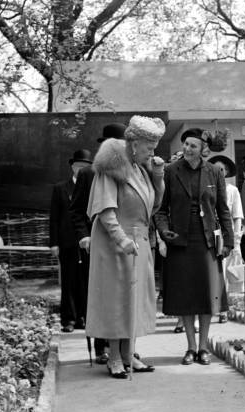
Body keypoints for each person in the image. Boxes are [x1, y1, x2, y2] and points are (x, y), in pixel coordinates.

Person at [85, 116, 166, 379]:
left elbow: (153, 207)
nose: (152, 152)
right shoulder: (112, 167)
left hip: (139, 240)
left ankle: (130, 353)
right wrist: (121, 239)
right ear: (133, 143)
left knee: (135, 300)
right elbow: (105, 210)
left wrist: (158, 175)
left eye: (154, 147)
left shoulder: (141, 170)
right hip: (114, 243)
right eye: (148, 146)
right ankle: (115, 357)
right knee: (117, 299)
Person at [155, 128, 233, 366]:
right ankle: (190, 347)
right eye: (186, 144)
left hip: (206, 240)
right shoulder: (170, 172)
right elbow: (160, 208)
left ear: (203, 150)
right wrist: (163, 229)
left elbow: (222, 209)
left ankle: (204, 347)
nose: (188, 149)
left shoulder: (214, 172)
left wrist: (228, 241)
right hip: (179, 239)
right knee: (185, 295)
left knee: (207, 295)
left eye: (193, 146)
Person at [70, 123, 127, 364]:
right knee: (101, 295)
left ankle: (125, 348)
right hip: (97, 241)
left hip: (123, 241)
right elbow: (76, 210)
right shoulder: (88, 173)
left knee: (124, 296)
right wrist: (84, 235)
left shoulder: (130, 171)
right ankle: (101, 346)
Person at [49, 149, 92, 333]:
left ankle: (84, 317)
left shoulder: (93, 188)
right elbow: (54, 217)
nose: (80, 170)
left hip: (87, 242)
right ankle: (68, 319)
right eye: (78, 166)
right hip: (66, 242)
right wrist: (54, 243)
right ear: (72, 167)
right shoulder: (60, 188)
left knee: (85, 281)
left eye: (84, 167)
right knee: (68, 281)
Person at [208, 155, 243, 323]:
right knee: (213, 272)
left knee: (227, 272)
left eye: (221, 169)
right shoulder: (206, 187)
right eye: (215, 169)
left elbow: (237, 215)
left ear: (226, 172)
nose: (218, 172)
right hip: (210, 234)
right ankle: (212, 306)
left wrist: (236, 239)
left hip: (226, 235)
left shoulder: (232, 190)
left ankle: (225, 309)